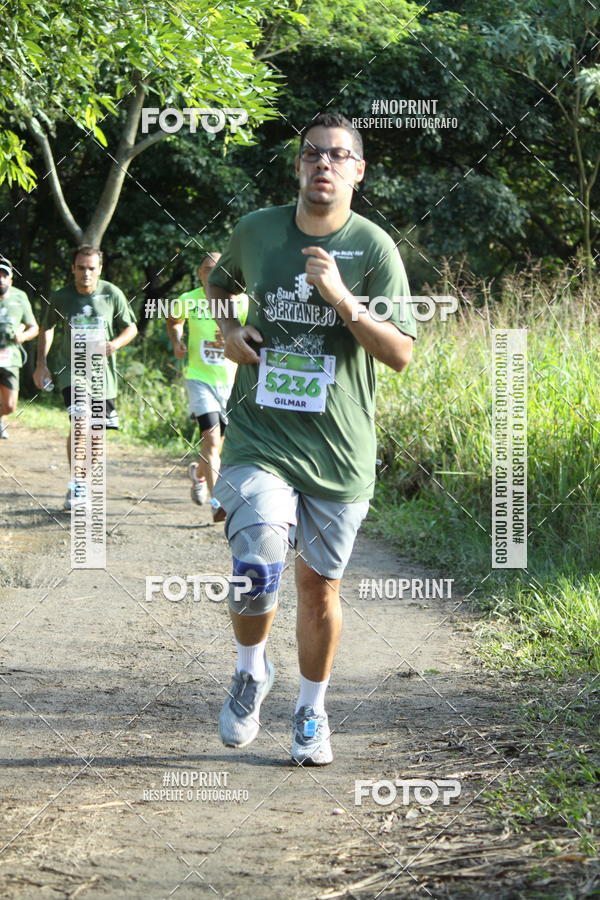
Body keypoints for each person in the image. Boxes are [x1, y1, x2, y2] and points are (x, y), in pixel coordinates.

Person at [207, 112, 417, 766]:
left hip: (339, 451)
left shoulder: (375, 248)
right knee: (257, 556)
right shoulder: (257, 231)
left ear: (357, 171)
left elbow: (401, 354)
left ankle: (310, 710)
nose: (323, 164)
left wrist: (342, 299)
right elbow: (219, 284)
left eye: (337, 156)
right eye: (311, 155)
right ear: (298, 167)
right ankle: (250, 670)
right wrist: (230, 332)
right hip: (261, 436)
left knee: (317, 588)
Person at [34, 245, 137, 509]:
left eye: (91, 268)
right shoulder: (61, 297)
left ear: (99, 269)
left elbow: (131, 328)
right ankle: (77, 484)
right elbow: (47, 328)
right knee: (80, 422)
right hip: (72, 371)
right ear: (73, 268)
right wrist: (41, 364)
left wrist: (114, 344)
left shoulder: (111, 294)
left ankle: (81, 481)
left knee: (96, 434)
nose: (86, 274)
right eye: (81, 268)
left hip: (103, 376)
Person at [166, 253, 247, 522]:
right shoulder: (188, 300)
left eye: (219, 270)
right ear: (200, 273)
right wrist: (177, 341)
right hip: (199, 378)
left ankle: (198, 474)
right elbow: (173, 320)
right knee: (211, 440)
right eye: (208, 270)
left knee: (217, 446)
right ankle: (218, 502)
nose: (213, 275)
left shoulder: (242, 301)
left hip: (232, 382)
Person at [0, 259, 39, 439]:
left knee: (10, 406)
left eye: (4, 276)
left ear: (10, 280)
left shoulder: (20, 297)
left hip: (10, 357)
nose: (0, 279)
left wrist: (21, 336)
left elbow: (34, 327)